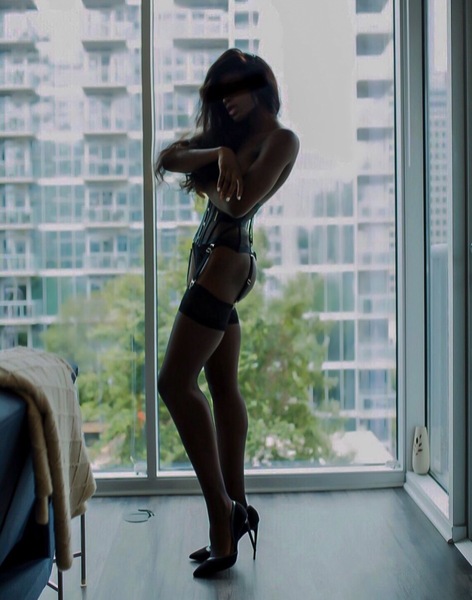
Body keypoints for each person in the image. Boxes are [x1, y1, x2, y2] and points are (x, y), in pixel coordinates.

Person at [155, 48, 299, 578]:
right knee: (221, 386)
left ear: (259, 87)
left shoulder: (280, 139)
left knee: (173, 383)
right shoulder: (228, 142)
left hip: (228, 260)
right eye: (219, 93)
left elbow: (238, 205)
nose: (227, 100)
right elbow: (166, 159)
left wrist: (216, 168)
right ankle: (237, 506)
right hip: (211, 263)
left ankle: (221, 513)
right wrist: (218, 153)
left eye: (235, 88)